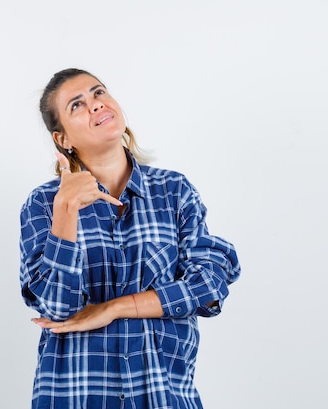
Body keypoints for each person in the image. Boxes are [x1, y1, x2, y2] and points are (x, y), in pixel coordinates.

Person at [19, 67, 241, 409]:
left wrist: (115, 308)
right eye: (76, 105)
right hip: (76, 397)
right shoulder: (44, 204)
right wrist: (67, 208)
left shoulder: (174, 191)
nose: (95, 105)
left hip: (163, 396)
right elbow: (57, 308)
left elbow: (209, 286)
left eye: (98, 92)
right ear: (62, 139)